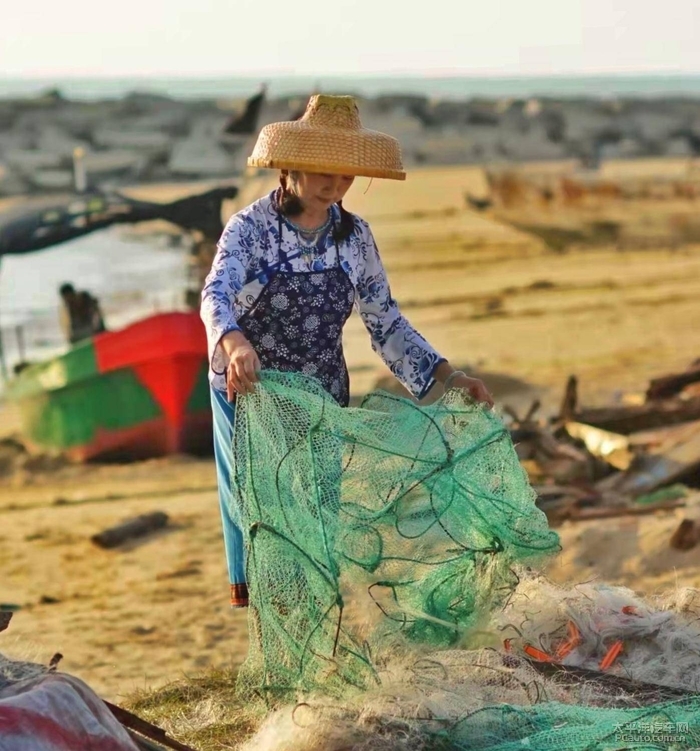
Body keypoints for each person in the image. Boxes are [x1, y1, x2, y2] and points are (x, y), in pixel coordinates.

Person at [200, 95, 494, 609]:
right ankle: (276, 621)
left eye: (346, 175)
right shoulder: (248, 230)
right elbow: (214, 295)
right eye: (323, 172)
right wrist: (234, 339)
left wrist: (450, 377)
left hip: (322, 391)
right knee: (265, 511)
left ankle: (316, 623)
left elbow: (386, 322)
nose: (335, 185)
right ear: (290, 168)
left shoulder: (355, 237)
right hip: (251, 392)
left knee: (317, 511)